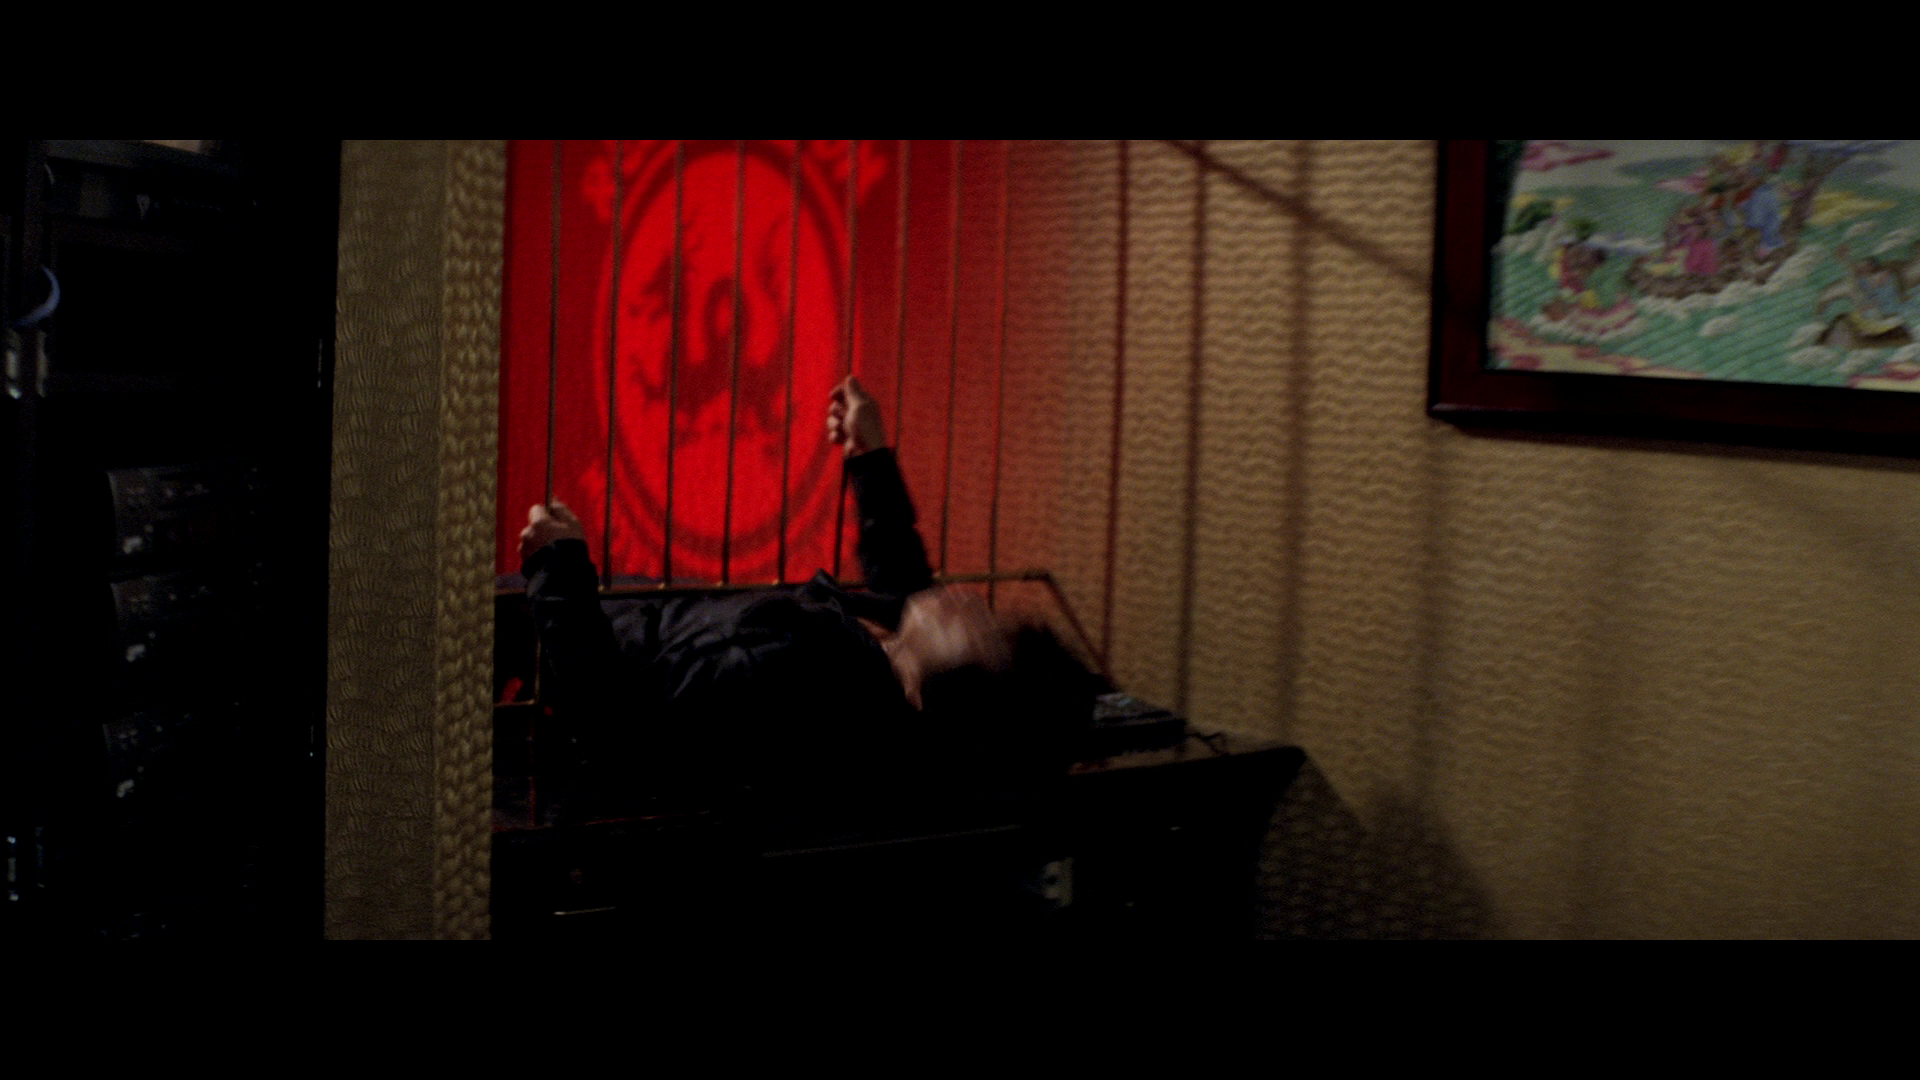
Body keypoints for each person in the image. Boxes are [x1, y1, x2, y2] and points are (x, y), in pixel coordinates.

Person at [518, 375, 1101, 824]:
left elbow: (614, 719)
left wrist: (557, 571)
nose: (970, 603)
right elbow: (905, 587)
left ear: (930, 698)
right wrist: (870, 458)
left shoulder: (797, 677)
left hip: (562, 646)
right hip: (613, 613)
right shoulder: (889, 685)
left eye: (981, 631)